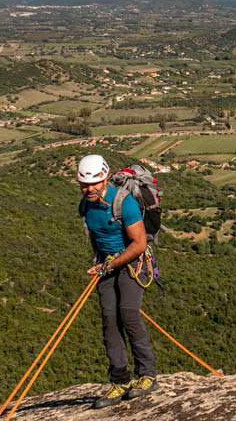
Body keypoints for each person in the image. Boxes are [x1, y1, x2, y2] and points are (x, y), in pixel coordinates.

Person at [77, 154, 157, 409]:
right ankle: (120, 381)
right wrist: (98, 260)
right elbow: (95, 235)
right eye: (84, 184)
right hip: (106, 264)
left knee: (128, 315)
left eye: (94, 183)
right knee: (110, 321)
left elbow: (139, 243)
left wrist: (109, 264)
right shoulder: (85, 206)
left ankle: (147, 376)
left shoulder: (124, 204)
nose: (89, 189)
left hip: (133, 263)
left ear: (104, 179)